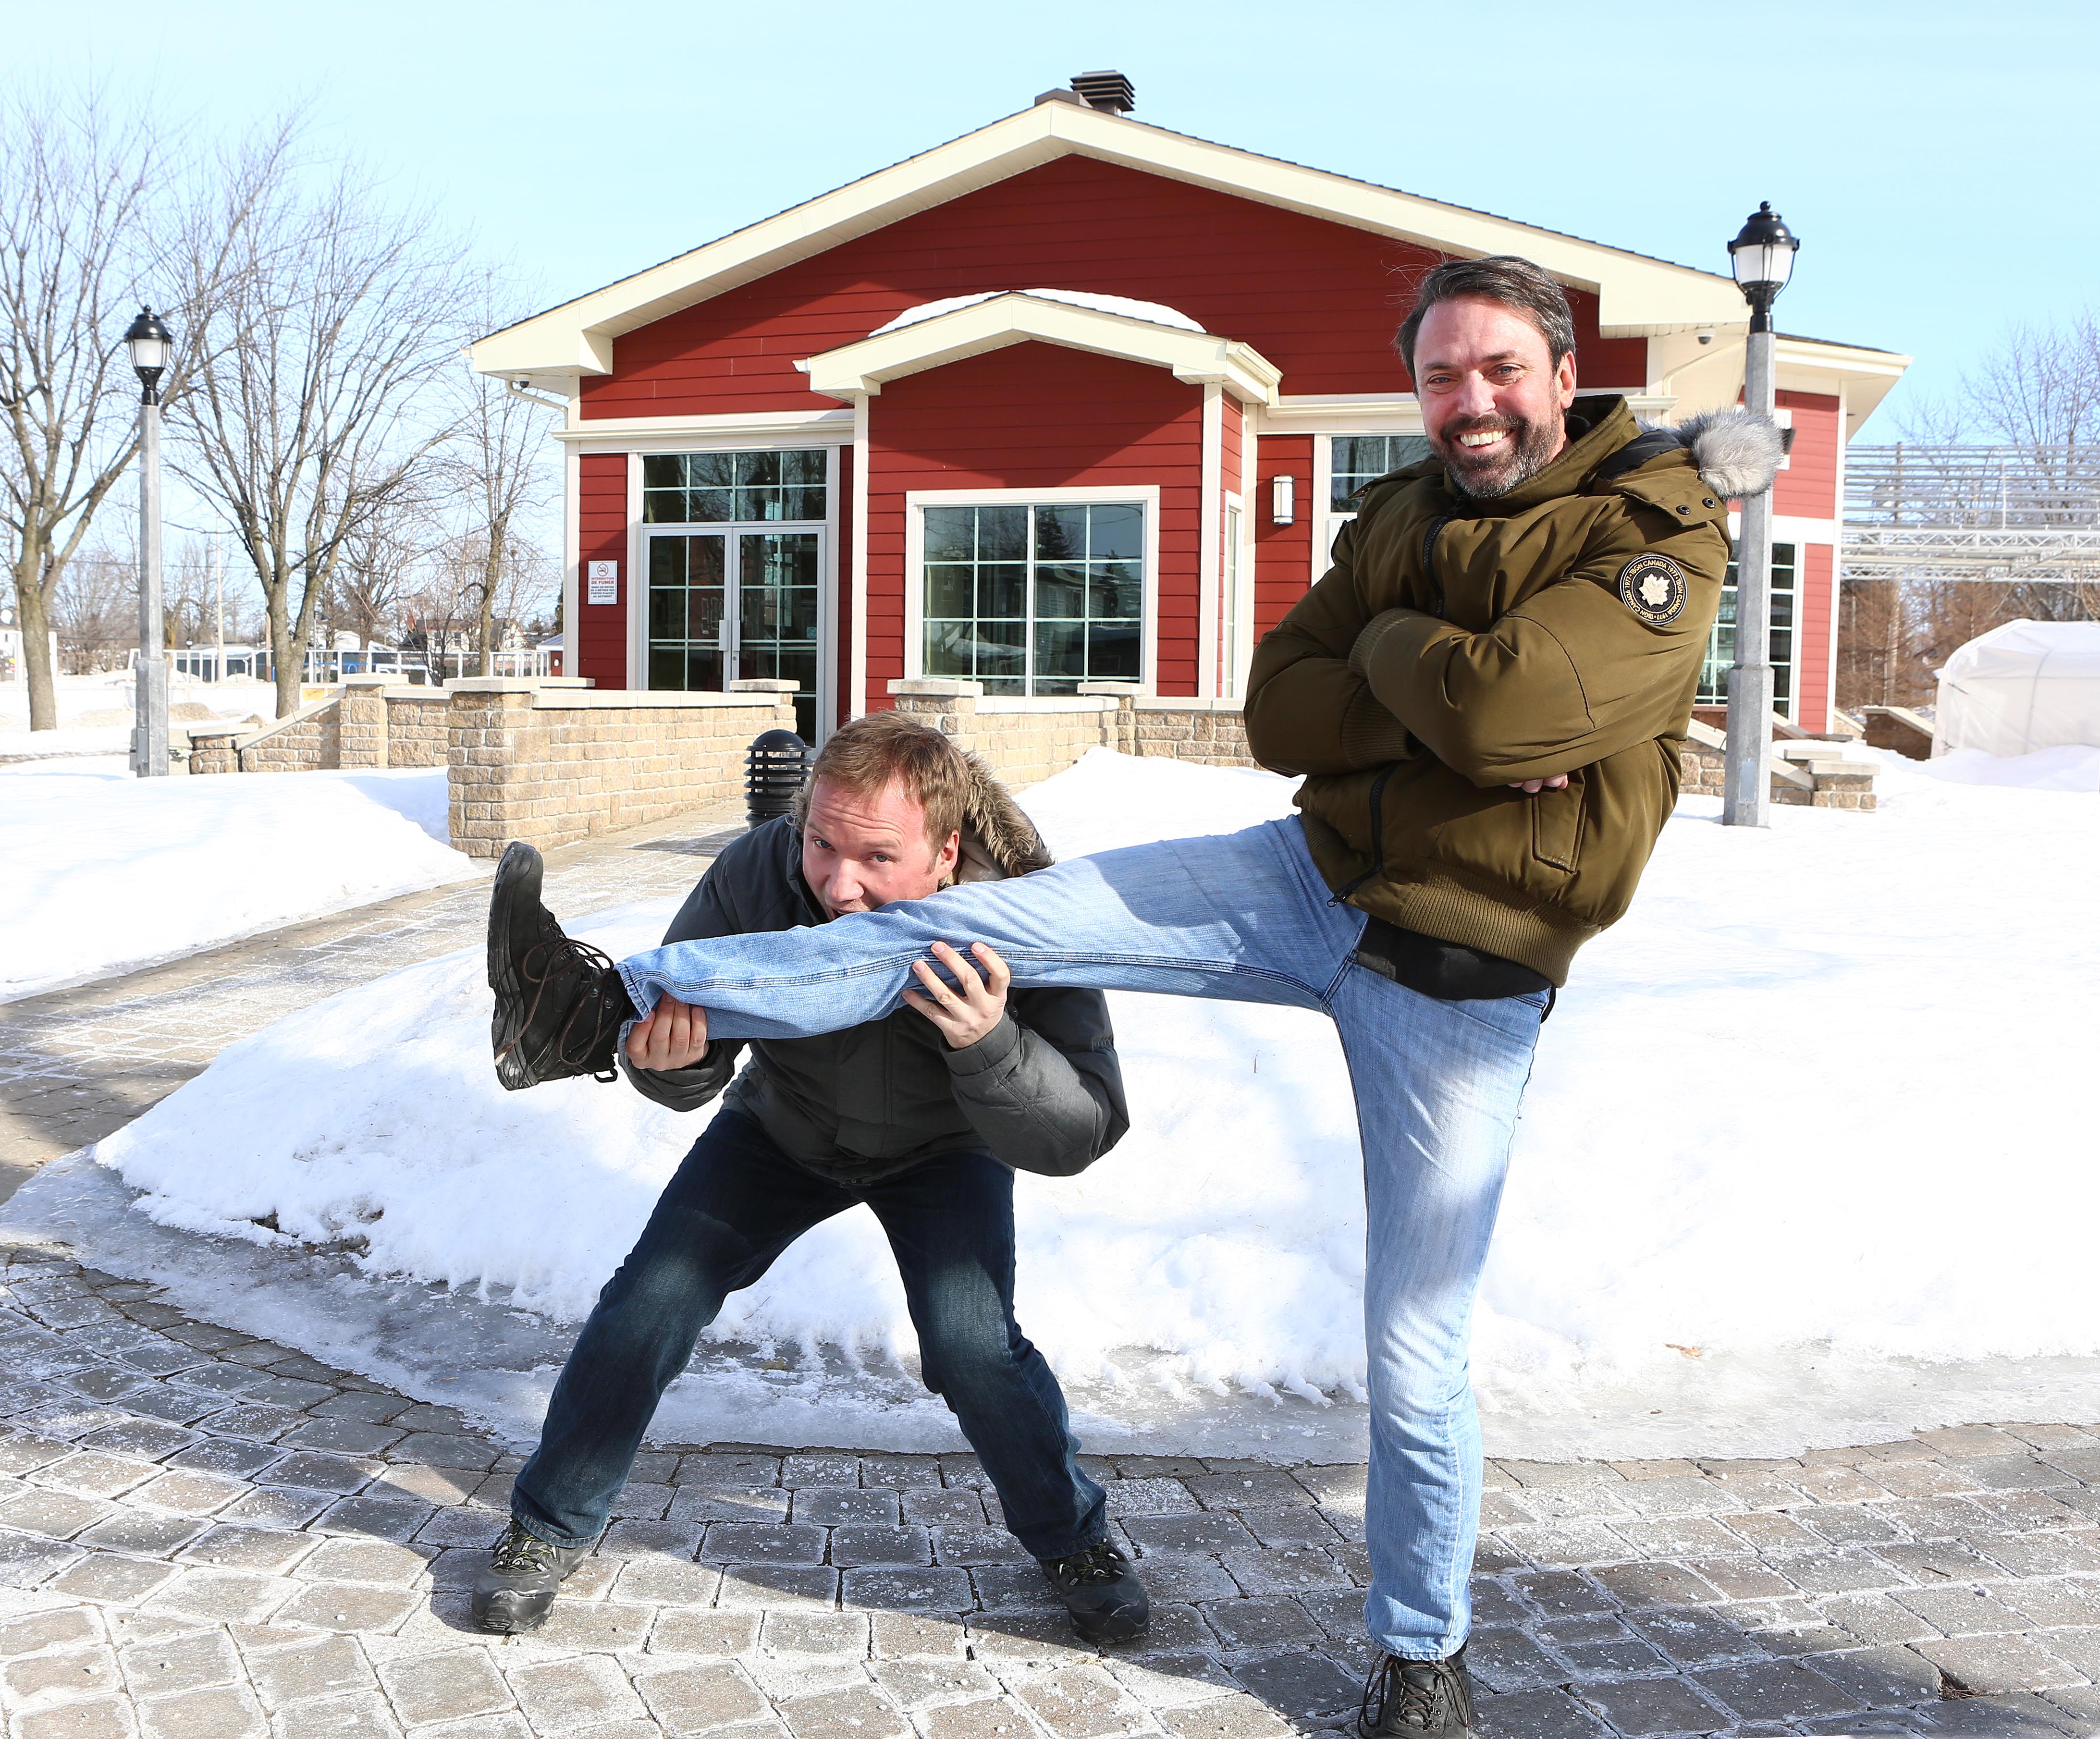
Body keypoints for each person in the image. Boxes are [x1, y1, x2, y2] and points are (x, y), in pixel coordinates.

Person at [488, 257, 1780, 1735]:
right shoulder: (1402, 513)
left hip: (1465, 969)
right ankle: (593, 1004)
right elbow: (1281, 708)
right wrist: (1445, 702)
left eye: (1497, 370)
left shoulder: (1656, 529)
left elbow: (1511, 707)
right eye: (1439, 374)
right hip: (1310, 877)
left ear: (1563, 371)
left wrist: (1409, 666)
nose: (1467, 401)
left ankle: (1422, 1656)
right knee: (992, 930)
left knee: (1416, 1341)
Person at [477, 711, 1145, 1643]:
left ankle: (1075, 1539)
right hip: (783, 1127)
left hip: (945, 1147)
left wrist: (987, 1042)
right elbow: (688, 1062)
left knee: (970, 1344)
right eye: (820, 843)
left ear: (945, 851)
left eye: (875, 856)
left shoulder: (1029, 912)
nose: (837, 881)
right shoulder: (756, 871)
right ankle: (548, 1524)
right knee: (647, 1303)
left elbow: (1081, 1128)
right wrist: (672, 1061)